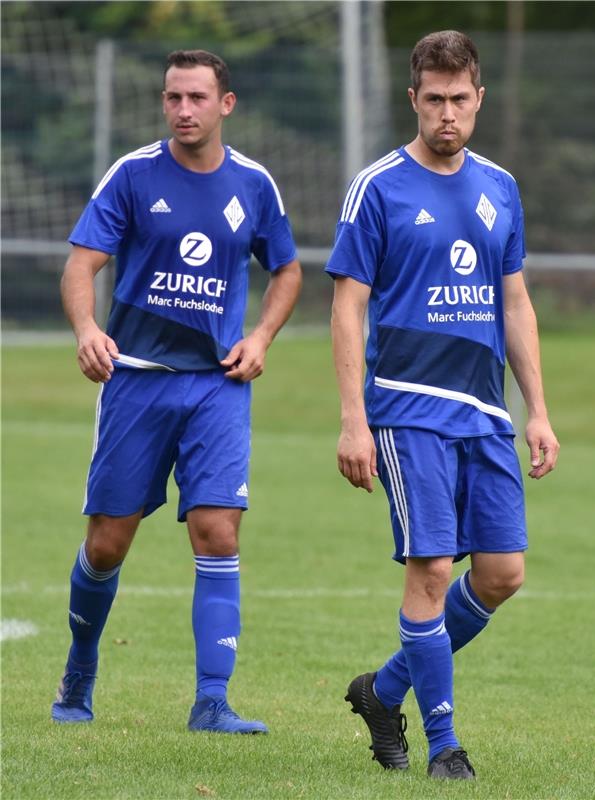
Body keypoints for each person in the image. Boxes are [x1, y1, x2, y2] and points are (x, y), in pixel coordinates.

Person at [327, 30, 559, 779]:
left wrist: (537, 411)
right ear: (413, 99)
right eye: (434, 100)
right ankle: (443, 744)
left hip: (482, 412)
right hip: (405, 408)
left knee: (500, 574)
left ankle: (381, 689)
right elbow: (346, 309)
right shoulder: (378, 186)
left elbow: (513, 302)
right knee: (428, 568)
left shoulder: (500, 187)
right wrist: (353, 420)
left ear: (479, 98)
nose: (447, 115)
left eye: (460, 100)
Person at [52, 49, 302, 734]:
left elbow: (286, 269)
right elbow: (83, 262)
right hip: (134, 381)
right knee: (107, 544)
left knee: (217, 532)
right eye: (172, 98)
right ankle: (79, 669)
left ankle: (212, 701)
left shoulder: (253, 184)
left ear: (226, 104)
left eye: (196, 97)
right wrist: (86, 328)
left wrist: (260, 339)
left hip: (216, 387)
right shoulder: (133, 174)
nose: (183, 110)